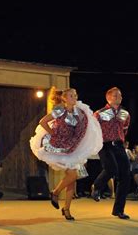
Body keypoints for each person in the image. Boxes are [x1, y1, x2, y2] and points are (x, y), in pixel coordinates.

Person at [30, 87, 102, 220]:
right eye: (71, 95)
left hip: (73, 147)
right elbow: (43, 122)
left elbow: (82, 129)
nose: (74, 97)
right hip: (59, 146)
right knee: (73, 175)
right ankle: (56, 192)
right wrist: (53, 134)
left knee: (72, 178)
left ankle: (66, 209)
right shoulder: (59, 110)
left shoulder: (79, 112)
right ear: (64, 98)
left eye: (75, 94)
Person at [91, 87, 131, 219]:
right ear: (108, 98)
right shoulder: (100, 113)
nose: (119, 97)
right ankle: (96, 187)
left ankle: (118, 210)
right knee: (111, 169)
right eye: (115, 95)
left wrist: (121, 140)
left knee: (125, 176)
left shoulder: (125, 113)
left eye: (120, 95)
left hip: (119, 145)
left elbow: (125, 129)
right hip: (105, 144)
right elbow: (92, 129)